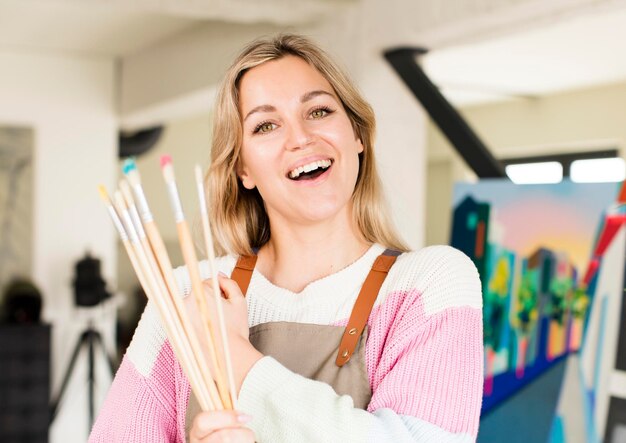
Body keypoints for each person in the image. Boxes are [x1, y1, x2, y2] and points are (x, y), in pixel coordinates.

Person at [89, 34, 483, 443]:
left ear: (357, 135)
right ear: (243, 168)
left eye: (318, 111)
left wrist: (234, 354)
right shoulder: (186, 294)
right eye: (266, 125)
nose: (299, 138)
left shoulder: (429, 283)